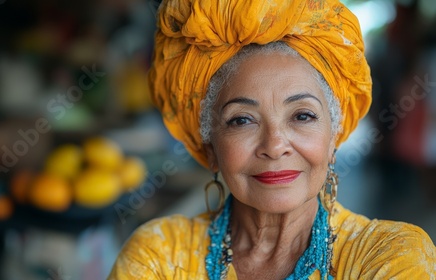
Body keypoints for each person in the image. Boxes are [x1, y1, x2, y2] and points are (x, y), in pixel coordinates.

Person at [109, 0, 436, 279]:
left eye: (302, 115)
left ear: (333, 137)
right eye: (242, 120)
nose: (275, 145)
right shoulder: (156, 256)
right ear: (210, 147)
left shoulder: (391, 257)